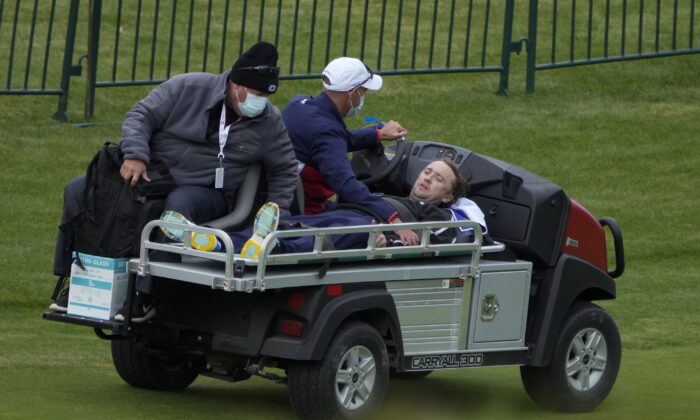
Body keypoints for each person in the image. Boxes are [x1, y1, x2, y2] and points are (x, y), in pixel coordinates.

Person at [50, 42, 297, 315]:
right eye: (255, 93)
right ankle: (74, 280)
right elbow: (140, 115)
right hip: (153, 175)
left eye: (265, 95)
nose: (259, 102)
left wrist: (277, 213)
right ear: (235, 84)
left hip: (205, 191)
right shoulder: (187, 87)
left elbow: (285, 168)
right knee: (79, 190)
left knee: (176, 208)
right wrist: (135, 154)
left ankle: (143, 296)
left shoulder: (270, 122)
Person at [184, 160, 487, 259]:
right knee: (285, 225)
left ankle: (262, 250)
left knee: (314, 239)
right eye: (427, 172)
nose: (427, 178)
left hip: (366, 229)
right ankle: (212, 241)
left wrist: (389, 240)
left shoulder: (436, 215)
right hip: (348, 213)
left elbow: (435, 242)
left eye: (438, 180)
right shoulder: (391, 196)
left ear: (448, 196)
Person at [282, 57, 410, 230]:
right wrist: (391, 216)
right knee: (367, 223)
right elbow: (346, 184)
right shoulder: (327, 132)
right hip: (304, 215)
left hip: (285, 202)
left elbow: (333, 141)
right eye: (363, 92)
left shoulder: (298, 104)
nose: (362, 98)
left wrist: (378, 134)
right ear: (353, 93)